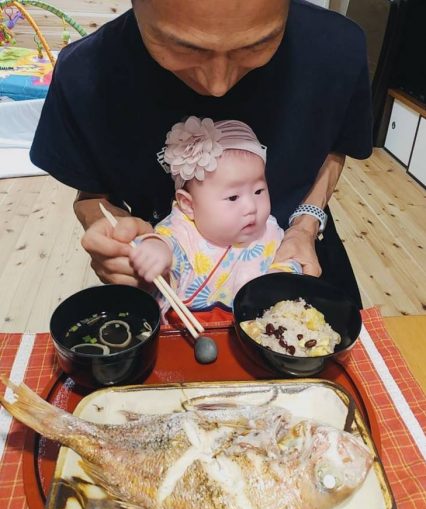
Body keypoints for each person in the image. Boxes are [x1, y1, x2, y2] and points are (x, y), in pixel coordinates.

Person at [30, 0, 372, 307]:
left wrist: (305, 226)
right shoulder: (86, 74)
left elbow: (335, 146)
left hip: (302, 256)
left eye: (256, 45)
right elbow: (92, 195)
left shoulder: (337, 49)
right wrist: (115, 237)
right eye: (183, 48)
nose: (217, 85)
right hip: (167, 275)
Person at [130, 116, 298, 313]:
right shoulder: (183, 231)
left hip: (252, 327)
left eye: (259, 191)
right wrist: (156, 249)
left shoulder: (267, 230)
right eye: (233, 197)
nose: (251, 207)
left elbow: (289, 260)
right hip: (188, 328)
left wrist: (279, 276)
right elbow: (167, 243)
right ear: (189, 205)